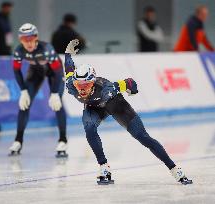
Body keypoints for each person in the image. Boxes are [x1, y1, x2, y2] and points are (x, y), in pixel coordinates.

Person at [64, 39, 193, 185]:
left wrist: (133, 89)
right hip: (94, 107)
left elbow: (129, 82)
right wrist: (68, 54)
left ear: (93, 82)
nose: (81, 89)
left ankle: (174, 169)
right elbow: (69, 70)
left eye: (85, 85)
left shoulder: (107, 88)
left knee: (142, 137)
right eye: (78, 84)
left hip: (114, 104)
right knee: (89, 128)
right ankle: (104, 167)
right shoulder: (71, 86)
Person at [9, 23, 68, 158]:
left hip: (55, 72)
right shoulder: (18, 51)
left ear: (36, 37)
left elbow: (58, 72)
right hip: (35, 71)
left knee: (57, 104)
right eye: (25, 39)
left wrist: (54, 93)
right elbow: (16, 71)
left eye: (31, 38)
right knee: (24, 104)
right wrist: (23, 90)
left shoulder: (46, 49)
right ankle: (18, 140)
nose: (28, 42)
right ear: (20, 40)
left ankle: (63, 140)